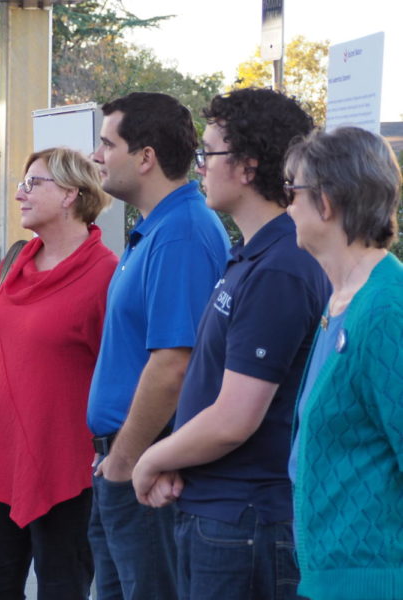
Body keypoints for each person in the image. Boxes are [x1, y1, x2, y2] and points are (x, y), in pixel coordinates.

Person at [131, 88, 329, 600]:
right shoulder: (254, 254)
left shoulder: (281, 266)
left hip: (244, 523)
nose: (200, 166)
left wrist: (149, 458)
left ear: (246, 166)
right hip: (219, 512)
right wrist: (178, 456)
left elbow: (236, 417)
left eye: (210, 153)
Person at [86, 92, 230, 600]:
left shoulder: (181, 234)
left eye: (107, 143)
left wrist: (124, 463)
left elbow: (174, 365)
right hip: (123, 463)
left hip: (144, 465)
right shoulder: (158, 229)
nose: (97, 156)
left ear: (145, 157)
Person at [0, 147, 118, 599]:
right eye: (22, 182)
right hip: (4, 452)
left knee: (62, 588)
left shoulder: (107, 274)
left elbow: (120, 371)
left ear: (71, 195)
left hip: (67, 462)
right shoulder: (16, 262)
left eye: (34, 183)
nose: (20, 193)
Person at [283, 127, 403, 600]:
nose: (287, 205)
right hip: (331, 583)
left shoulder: (387, 310)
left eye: (292, 190)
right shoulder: (342, 303)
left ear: (326, 202)